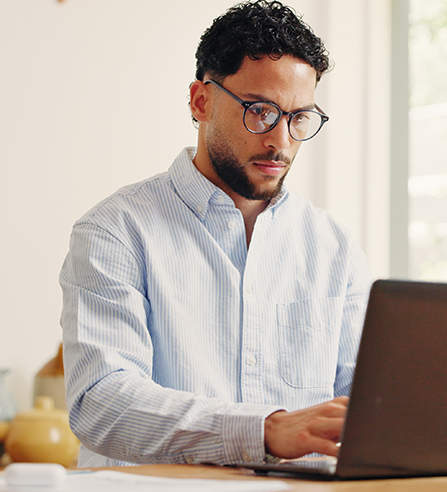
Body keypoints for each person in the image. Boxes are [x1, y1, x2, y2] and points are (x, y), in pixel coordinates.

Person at [59, 0, 372, 468]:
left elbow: (368, 412)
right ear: (200, 101)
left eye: (298, 118)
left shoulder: (336, 250)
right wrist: (265, 431)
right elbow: (102, 403)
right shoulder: (115, 231)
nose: (281, 141)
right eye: (260, 111)